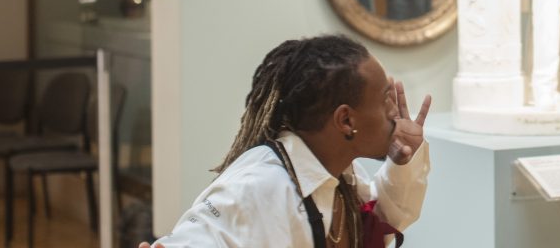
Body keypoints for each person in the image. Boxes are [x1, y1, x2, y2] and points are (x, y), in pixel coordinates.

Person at [147, 34, 431, 247]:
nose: (395, 112)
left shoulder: (340, 173)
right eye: (385, 100)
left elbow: (379, 223)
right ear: (346, 121)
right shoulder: (259, 185)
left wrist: (401, 160)